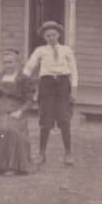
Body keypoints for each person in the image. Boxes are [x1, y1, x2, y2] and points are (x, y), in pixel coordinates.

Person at [23, 21, 78, 166]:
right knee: (45, 120)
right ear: (44, 37)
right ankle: (41, 153)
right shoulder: (40, 50)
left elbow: (74, 70)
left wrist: (74, 89)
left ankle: (68, 153)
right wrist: (22, 80)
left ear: (58, 35)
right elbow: (29, 66)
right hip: (47, 84)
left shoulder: (67, 50)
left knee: (64, 119)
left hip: (63, 84)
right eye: (48, 36)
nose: (51, 38)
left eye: (53, 35)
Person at [0, 49, 35, 175]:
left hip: (15, 110)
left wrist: (20, 111)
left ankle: (11, 165)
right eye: (5, 62)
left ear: (17, 62)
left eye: (11, 62)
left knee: (8, 129)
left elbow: (29, 100)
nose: (8, 65)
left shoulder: (24, 78)